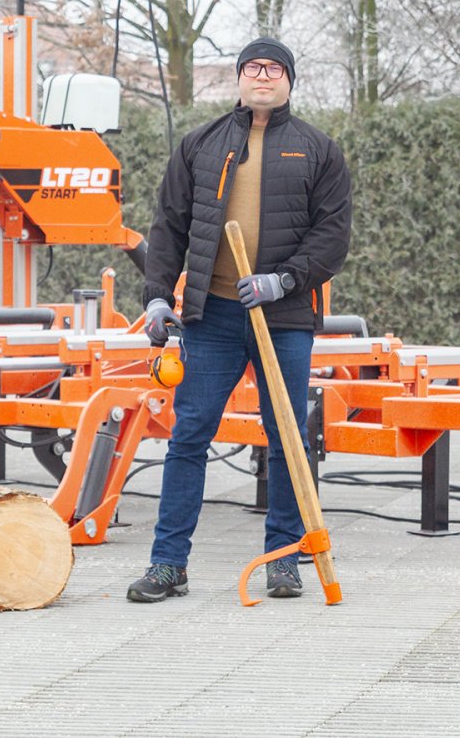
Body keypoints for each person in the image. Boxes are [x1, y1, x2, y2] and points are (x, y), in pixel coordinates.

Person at [127, 37, 353, 602]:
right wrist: (158, 298)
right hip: (213, 314)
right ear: (240, 78)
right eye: (253, 68)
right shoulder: (200, 145)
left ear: (289, 81)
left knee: (286, 439)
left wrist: (285, 280)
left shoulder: (319, 150)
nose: (263, 77)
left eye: (274, 69)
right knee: (188, 436)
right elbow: (169, 227)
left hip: (284, 317)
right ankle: (167, 564)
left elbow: (332, 237)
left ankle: (285, 557)